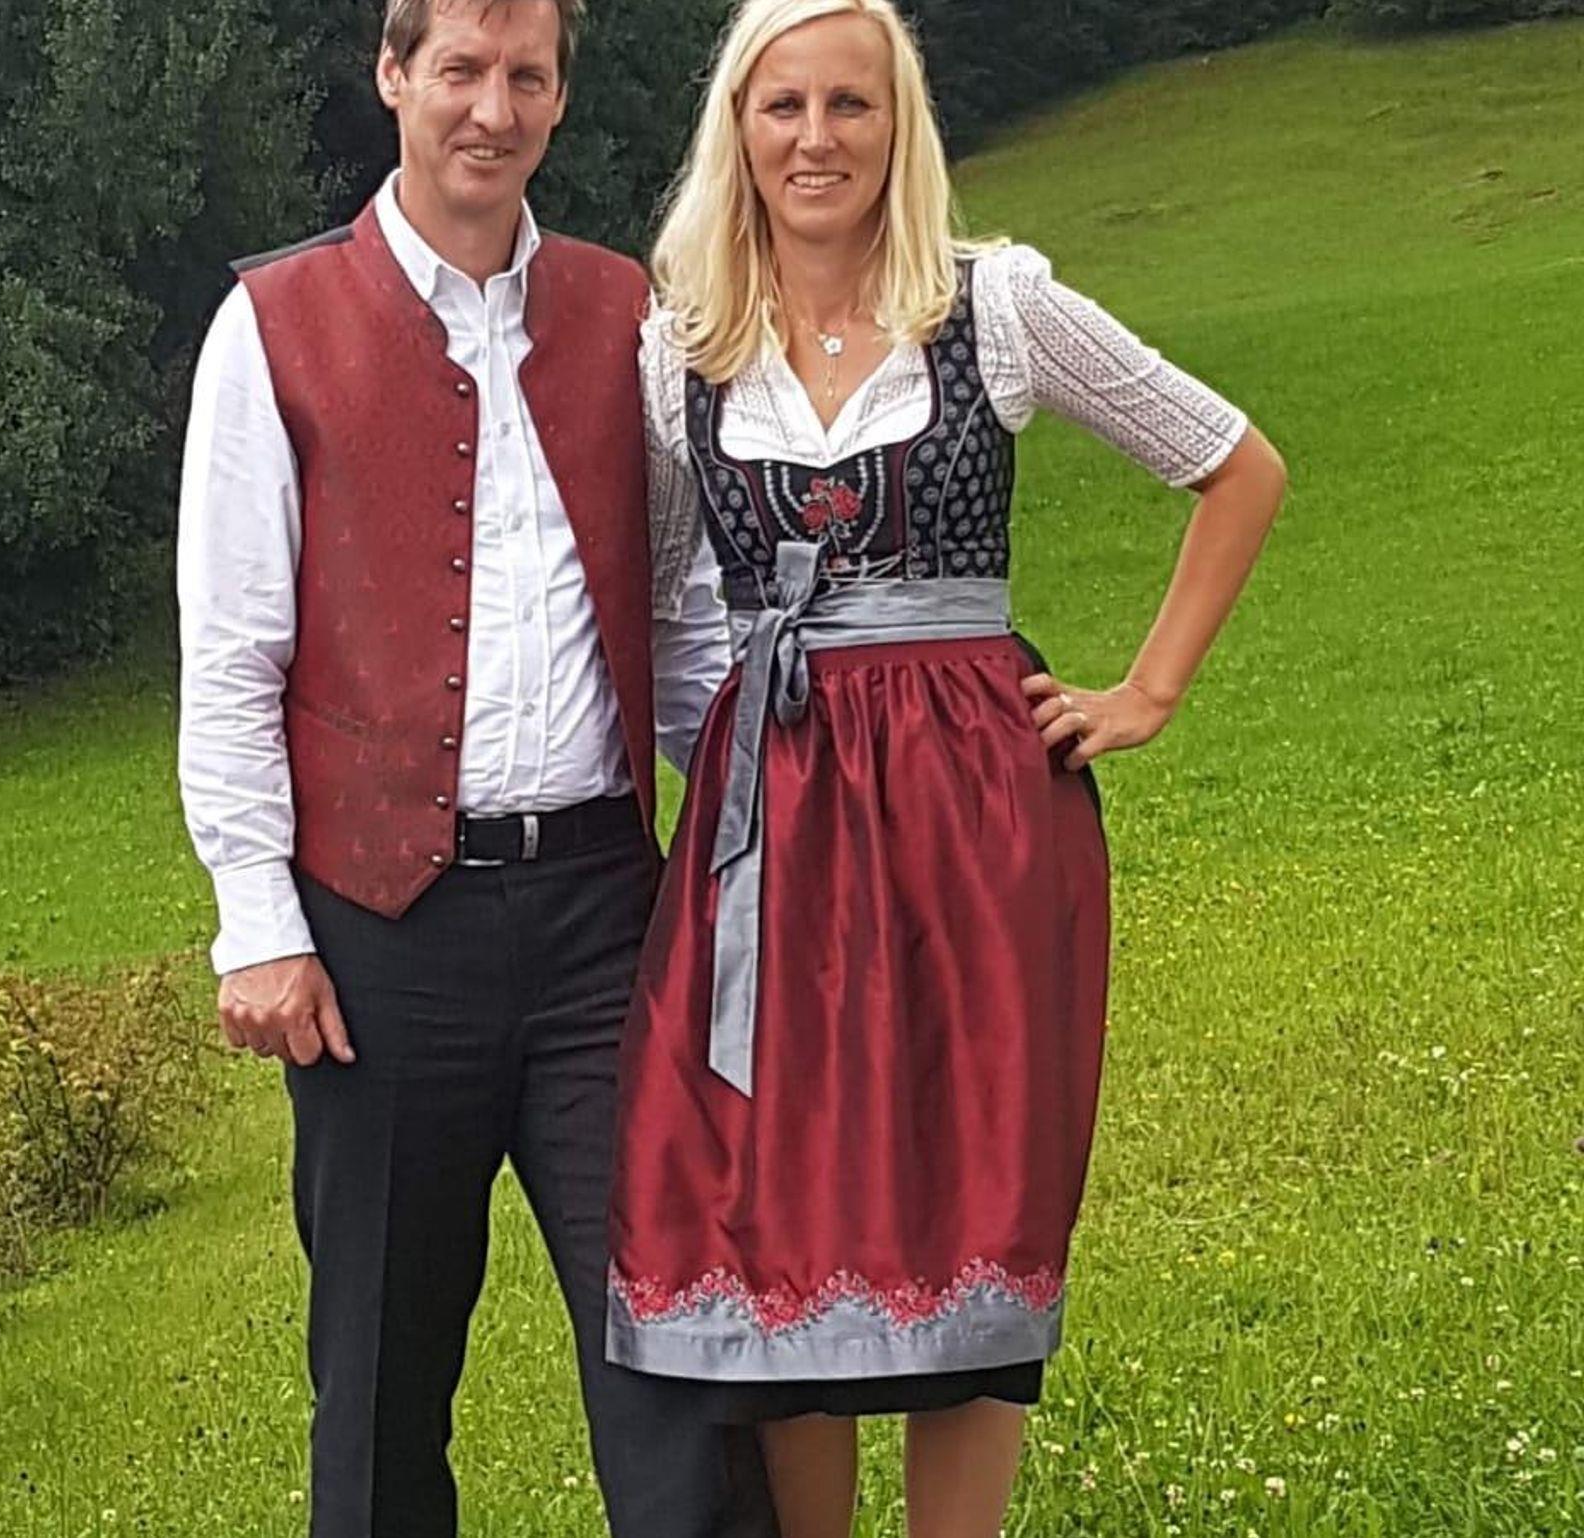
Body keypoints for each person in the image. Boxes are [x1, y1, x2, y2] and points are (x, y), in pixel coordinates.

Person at [603, 2, 1289, 1535]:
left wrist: (1148, 689)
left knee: (966, 1176)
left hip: (975, 819)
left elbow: (1236, 464)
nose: (817, 137)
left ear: (900, 121)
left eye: (850, 104)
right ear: (738, 127)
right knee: (787, 1198)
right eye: (784, 105)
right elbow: (656, 598)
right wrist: (723, 772)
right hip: (776, 831)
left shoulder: (994, 307)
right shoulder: (684, 349)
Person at [176, 2, 776, 1535]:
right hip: (378, 941)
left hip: (604, 926)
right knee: (380, 1392)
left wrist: (764, 850)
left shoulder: (630, 314)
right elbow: (232, 656)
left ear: (560, 96)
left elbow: (683, 621)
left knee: (685, 1356)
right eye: (459, 69)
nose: (491, 110)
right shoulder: (274, 327)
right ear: (393, 77)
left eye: (525, 76)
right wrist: (258, 921)